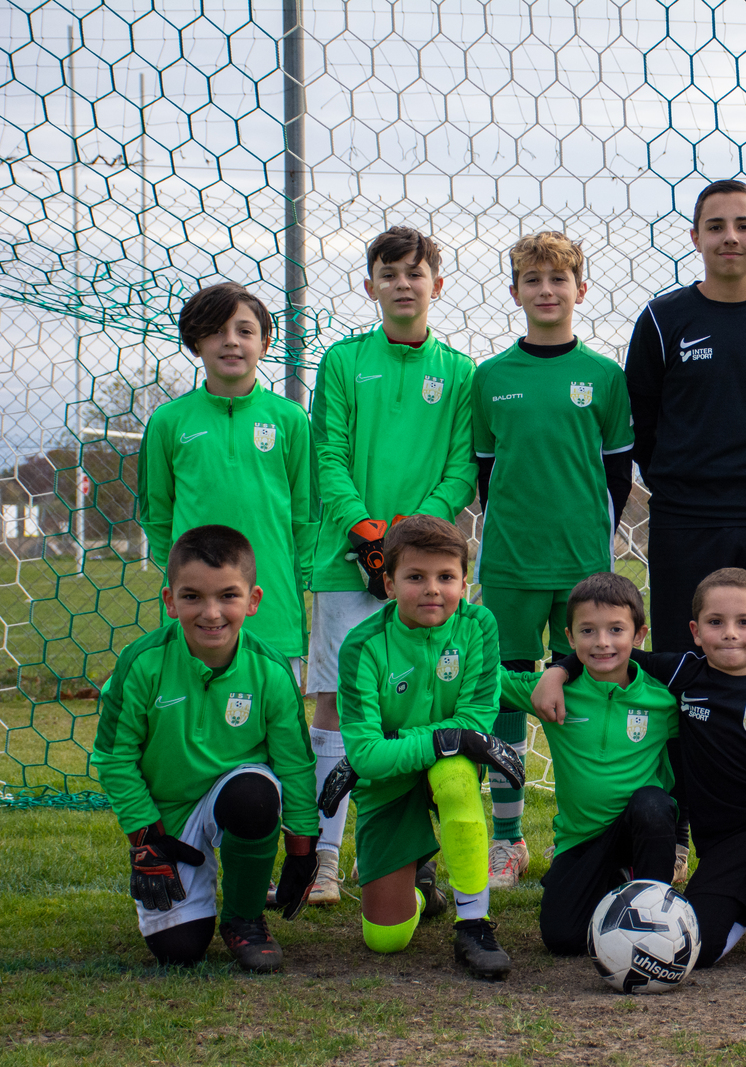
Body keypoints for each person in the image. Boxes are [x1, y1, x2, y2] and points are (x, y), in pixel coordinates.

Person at [530, 568, 746, 977]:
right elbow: (611, 652)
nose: (730, 634)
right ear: (696, 632)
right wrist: (557, 672)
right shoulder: (684, 673)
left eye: (744, 622)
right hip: (727, 847)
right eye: (715, 622)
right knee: (693, 953)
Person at [304, 226, 477, 904]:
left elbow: (461, 467)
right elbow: (328, 455)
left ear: (438, 283)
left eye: (415, 271)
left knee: (421, 702)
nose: (403, 283)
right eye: (389, 272)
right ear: (369, 285)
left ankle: (413, 854)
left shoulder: (459, 372)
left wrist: (408, 539)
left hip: (424, 565)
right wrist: (368, 531)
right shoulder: (343, 362)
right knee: (336, 700)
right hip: (348, 561)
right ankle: (322, 857)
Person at [473, 231, 634, 890]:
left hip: (582, 572)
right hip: (510, 566)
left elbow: (616, 476)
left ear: (580, 290)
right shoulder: (490, 378)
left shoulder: (605, 377)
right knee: (506, 696)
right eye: (533, 280)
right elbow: (487, 475)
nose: (546, 290)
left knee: (585, 694)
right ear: (514, 292)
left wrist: (588, 547)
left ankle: (586, 837)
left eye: (558, 279)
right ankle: (508, 840)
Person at [91, 524, 318, 971]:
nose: (211, 613)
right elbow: (115, 758)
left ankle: (244, 916)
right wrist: (146, 837)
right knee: (180, 951)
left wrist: (302, 848)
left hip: (236, 792)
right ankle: (187, 890)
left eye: (228, 596)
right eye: (192, 596)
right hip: (168, 817)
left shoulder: (271, 671)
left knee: (254, 794)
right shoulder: (141, 663)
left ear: (252, 600)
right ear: (170, 600)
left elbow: (295, 765)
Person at [317, 516, 524, 979]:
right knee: (385, 940)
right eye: (416, 577)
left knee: (456, 776)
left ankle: (474, 924)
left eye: (446, 577)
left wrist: (436, 741)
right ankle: (419, 884)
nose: (433, 589)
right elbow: (367, 756)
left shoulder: (479, 625)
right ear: (389, 584)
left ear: (464, 583)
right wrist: (447, 738)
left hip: (444, 767)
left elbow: (473, 722)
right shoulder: (361, 647)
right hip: (387, 781)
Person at [626, 179, 746, 658]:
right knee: (681, 655)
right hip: (684, 516)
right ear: (696, 238)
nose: (730, 236)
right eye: (715, 227)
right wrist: (678, 481)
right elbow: (642, 421)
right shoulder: (661, 320)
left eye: (743, 225)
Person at [499, 573, 679, 955]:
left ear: (639, 635)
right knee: (563, 939)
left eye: (616, 629)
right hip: (582, 840)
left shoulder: (663, 699)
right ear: (569, 637)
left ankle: (655, 909)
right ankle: (613, 881)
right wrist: (554, 672)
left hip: (641, 831)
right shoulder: (553, 692)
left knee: (652, 804)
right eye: (587, 631)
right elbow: (488, 679)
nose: (602, 642)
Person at [138, 283, 314, 670]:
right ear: (195, 342)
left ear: (265, 344)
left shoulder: (291, 420)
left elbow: (306, 516)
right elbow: (156, 513)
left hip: (274, 610)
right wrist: (185, 578)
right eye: (216, 330)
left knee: (274, 707)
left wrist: (296, 577)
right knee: (194, 705)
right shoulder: (168, 421)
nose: (231, 341)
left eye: (244, 331)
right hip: (198, 617)